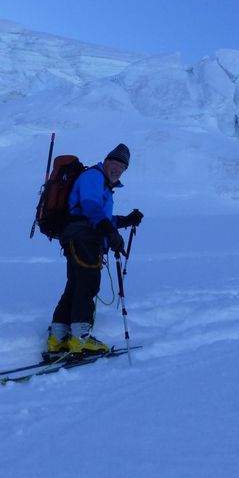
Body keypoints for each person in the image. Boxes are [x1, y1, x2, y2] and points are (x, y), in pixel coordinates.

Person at [46, 143, 144, 356]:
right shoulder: (93, 177)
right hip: (84, 238)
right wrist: (110, 232)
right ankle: (80, 338)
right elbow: (90, 207)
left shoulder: (103, 184)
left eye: (123, 167)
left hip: (79, 237)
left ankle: (58, 336)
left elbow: (100, 216)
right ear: (106, 162)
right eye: (115, 163)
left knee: (75, 286)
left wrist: (126, 220)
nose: (118, 169)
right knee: (88, 286)